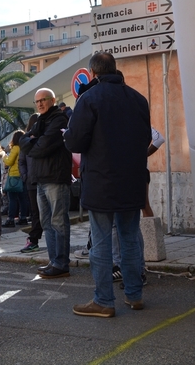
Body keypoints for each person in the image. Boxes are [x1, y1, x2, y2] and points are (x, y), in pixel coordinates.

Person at [65, 52, 151, 317]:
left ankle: (103, 301)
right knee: (130, 240)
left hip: (102, 182)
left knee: (101, 243)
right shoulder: (138, 99)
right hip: (132, 181)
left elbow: (75, 142)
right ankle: (134, 296)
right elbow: (146, 138)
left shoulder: (89, 99)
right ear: (115, 69)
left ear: (92, 73)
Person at [20, 88, 72, 279]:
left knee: (59, 222)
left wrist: (34, 142)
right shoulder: (40, 121)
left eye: (44, 100)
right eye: (37, 101)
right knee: (47, 223)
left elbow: (42, 147)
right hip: (40, 179)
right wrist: (33, 141)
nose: (40, 104)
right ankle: (54, 261)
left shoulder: (59, 119)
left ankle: (62, 263)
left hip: (56, 178)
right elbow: (23, 142)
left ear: (53, 100)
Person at [18, 114, 42, 253]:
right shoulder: (25, 140)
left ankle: (36, 240)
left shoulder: (45, 137)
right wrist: (25, 176)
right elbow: (21, 161)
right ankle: (34, 240)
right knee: (35, 212)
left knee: (49, 213)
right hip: (32, 181)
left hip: (46, 178)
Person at [3, 131, 29, 227]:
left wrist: (4, 157)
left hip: (14, 176)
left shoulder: (15, 148)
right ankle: (23, 218)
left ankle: (10, 219)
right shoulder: (25, 148)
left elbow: (9, 162)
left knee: (12, 199)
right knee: (23, 199)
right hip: (23, 175)